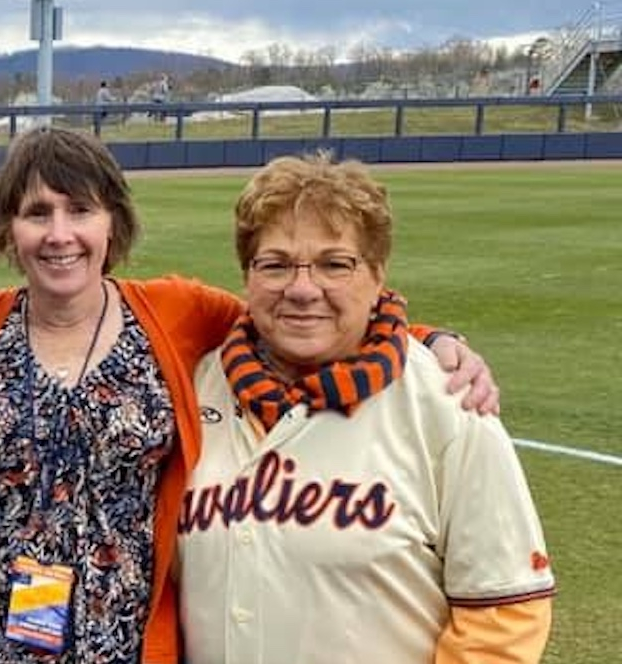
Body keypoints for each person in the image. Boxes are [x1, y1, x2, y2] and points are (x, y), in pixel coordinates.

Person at [0, 129, 501, 664]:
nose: (60, 234)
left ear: (113, 223)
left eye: (80, 210)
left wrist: (428, 341)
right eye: (37, 213)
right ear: (9, 228)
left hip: (127, 645)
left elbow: (293, 314)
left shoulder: (175, 312)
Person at [176, 153, 553, 664]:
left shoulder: (449, 403)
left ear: (378, 277)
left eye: (336, 264)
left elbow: (503, 615)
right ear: (247, 277)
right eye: (276, 264)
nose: (303, 288)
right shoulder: (193, 386)